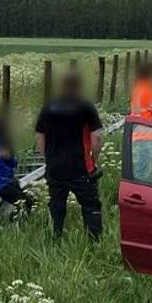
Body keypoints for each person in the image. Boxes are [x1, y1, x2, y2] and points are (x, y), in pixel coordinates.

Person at [36, 73, 104, 240]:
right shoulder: (85, 107)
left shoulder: (49, 107)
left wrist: (48, 158)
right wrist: (94, 158)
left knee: (56, 206)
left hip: (55, 168)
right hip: (80, 167)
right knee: (90, 206)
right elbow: (96, 137)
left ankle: (55, 239)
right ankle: (93, 242)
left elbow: (40, 136)